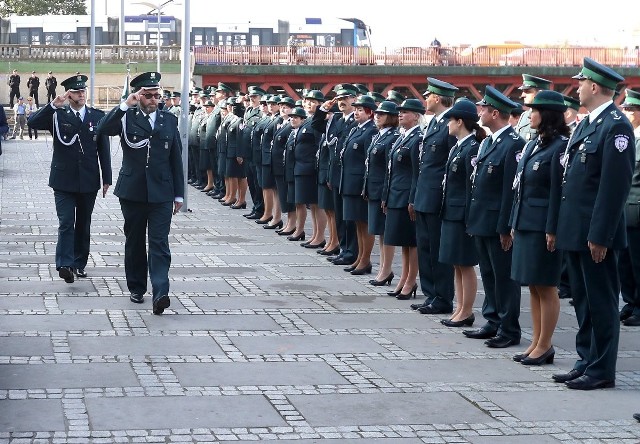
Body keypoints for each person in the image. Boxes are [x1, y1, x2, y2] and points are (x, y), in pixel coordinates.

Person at [551, 58, 634, 389]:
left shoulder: (616, 126)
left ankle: (601, 370)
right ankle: (586, 359)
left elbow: (613, 189)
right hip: (576, 229)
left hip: (596, 234)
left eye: (582, 82)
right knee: (584, 301)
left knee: (601, 301)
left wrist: (600, 235)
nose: (578, 86)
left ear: (595, 87)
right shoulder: (587, 124)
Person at [96, 71, 184, 315]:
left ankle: (160, 292)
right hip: (132, 191)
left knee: (159, 242)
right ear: (138, 95)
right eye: (148, 95)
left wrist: (179, 194)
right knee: (134, 242)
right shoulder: (127, 117)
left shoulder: (168, 120)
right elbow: (103, 128)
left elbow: (175, 158)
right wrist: (125, 104)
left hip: (161, 192)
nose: (154, 99)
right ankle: (136, 287)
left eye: (157, 95)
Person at [28, 74, 111, 283]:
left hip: (89, 179)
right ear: (68, 94)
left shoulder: (96, 116)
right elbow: (32, 121)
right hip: (63, 179)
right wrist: (53, 105)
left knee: (83, 223)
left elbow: (103, 149)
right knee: (66, 222)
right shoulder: (58, 115)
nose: (81, 94)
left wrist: (107, 178)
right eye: (76, 91)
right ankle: (65, 264)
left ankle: (79, 263)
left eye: (83, 90)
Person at [463, 86, 525, 348]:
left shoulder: (513, 144)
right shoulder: (488, 141)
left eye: (484, 109)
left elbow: (510, 190)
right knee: (488, 273)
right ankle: (493, 320)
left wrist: (505, 227)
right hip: (481, 219)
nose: (480, 113)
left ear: (495, 113)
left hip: (497, 222)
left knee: (504, 277)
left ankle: (509, 328)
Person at [510, 91, 570, 365]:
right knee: (532, 285)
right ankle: (536, 340)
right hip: (526, 222)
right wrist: (514, 220)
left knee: (546, 286)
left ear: (546, 115)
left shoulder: (559, 147)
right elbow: (520, 187)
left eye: (534, 111)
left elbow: (559, 192)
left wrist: (553, 228)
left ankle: (545, 344)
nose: (529, 114)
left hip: (543, 226)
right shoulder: (536, 144)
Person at [410, 77, 457, 315]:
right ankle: (431, 294)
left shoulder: (449, 124)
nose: (425, 99)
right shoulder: (433, 124)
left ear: (437, 98)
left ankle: (443, 297)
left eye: (428, 95)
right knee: (425, 248)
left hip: (437, 197)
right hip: (424, 196)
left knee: (438, 251)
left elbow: (450, 166)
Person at [439, 99, 484, 327]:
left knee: (465, 264)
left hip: (462, 214)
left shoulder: (472, 147)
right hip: (450, 211)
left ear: (460, 122)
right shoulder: (458, 146)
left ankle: (467, 310)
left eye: (450, 120)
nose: (447, 124)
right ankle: (459, 307)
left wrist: (470, 219)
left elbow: (471, 187)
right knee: (455, 263)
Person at [383, 99, 424, 300]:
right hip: (395, 194)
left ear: (416, 116)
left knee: (411, 242)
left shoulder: (417, 138)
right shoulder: (402, 136)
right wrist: (386, 195)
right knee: (403, 243)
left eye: (405, 112)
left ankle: (410, 280)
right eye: (399, 111)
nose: (400, 114)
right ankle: (404, 278)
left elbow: (417, 173)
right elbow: (391, 171)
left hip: (406, 196)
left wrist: (413, 199)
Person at [340, 94, 378, 274]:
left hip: (359, 184)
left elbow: (368, 161)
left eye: (360, 110)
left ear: (370, 112)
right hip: (350, 182)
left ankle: (365, 260)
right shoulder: (357, 128)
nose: (356, 112)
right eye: (355, 109)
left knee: (364, 223)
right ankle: (360, 257)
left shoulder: (370, 130)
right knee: (357, 223)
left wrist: (365, 185)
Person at [365, 101, 400, 286]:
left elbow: (389, 169)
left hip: (382, 190)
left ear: (392, 117)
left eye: (382, 114)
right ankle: (383, 269)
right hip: (374, 189)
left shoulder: (392, 137)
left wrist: (385, 193)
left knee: (386, 232)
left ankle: (386, 270)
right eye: (376, 113)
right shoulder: (379, 135)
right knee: (380, 231)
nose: (377, 116)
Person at [619, 88, 640, 327]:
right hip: (624, 209)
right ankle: (630, 301)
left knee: (637, 261)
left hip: (637, 209)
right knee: (624, 261)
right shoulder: (629, 138)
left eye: (632, 110)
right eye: (626, 109)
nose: (628, 113)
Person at [515, 74, 552, 142]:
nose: (522, 95)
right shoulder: (524, 115)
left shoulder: (549, 116)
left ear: (540, 93)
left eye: (527, 92)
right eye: (523, 91)